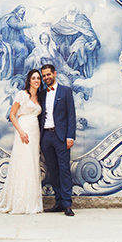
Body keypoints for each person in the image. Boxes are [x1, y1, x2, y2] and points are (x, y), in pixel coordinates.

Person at [0, 69, 44, 214]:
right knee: (23, 163)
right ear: (29, 80)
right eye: (34, 78)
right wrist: (21, 132)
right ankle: (20, 202)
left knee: (33, 163)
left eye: (38, 78)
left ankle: (31, 202)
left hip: (35, 133)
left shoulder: (39, 97)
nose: (36, 80)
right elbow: (12, 115)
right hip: (24, 131)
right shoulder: (22, 95)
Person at [38, 63, 77, 216]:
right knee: (53, 171)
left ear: (54, 74)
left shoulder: (66, 91)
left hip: (61, 137)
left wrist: (70, 136)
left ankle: (67, 204)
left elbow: (71, 116)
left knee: (64, 170)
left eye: (48, 74)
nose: (46, 77)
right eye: (44, 75)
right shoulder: (42, 94)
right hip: (46, 137)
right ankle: (58, 201)